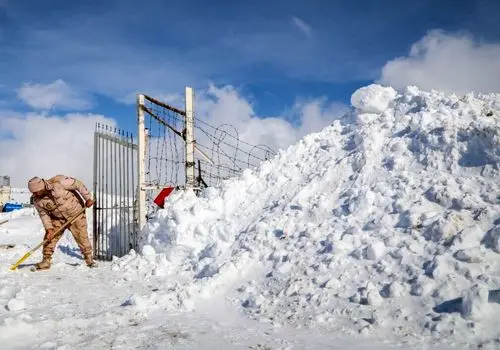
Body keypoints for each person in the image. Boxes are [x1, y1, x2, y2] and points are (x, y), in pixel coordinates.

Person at [27, 175, 96, 270]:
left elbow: (78, 184)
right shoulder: (37, 200)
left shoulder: (59, 182)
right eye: (32, 193)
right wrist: (49, 229)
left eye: (35, 192)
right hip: (58, 218)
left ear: (41, 187)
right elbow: (44, 215)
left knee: (82, 237)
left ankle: (89, 260)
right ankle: (46, 261)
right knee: (49, 239)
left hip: (76, 214)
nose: (34, 194)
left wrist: (87, 198)